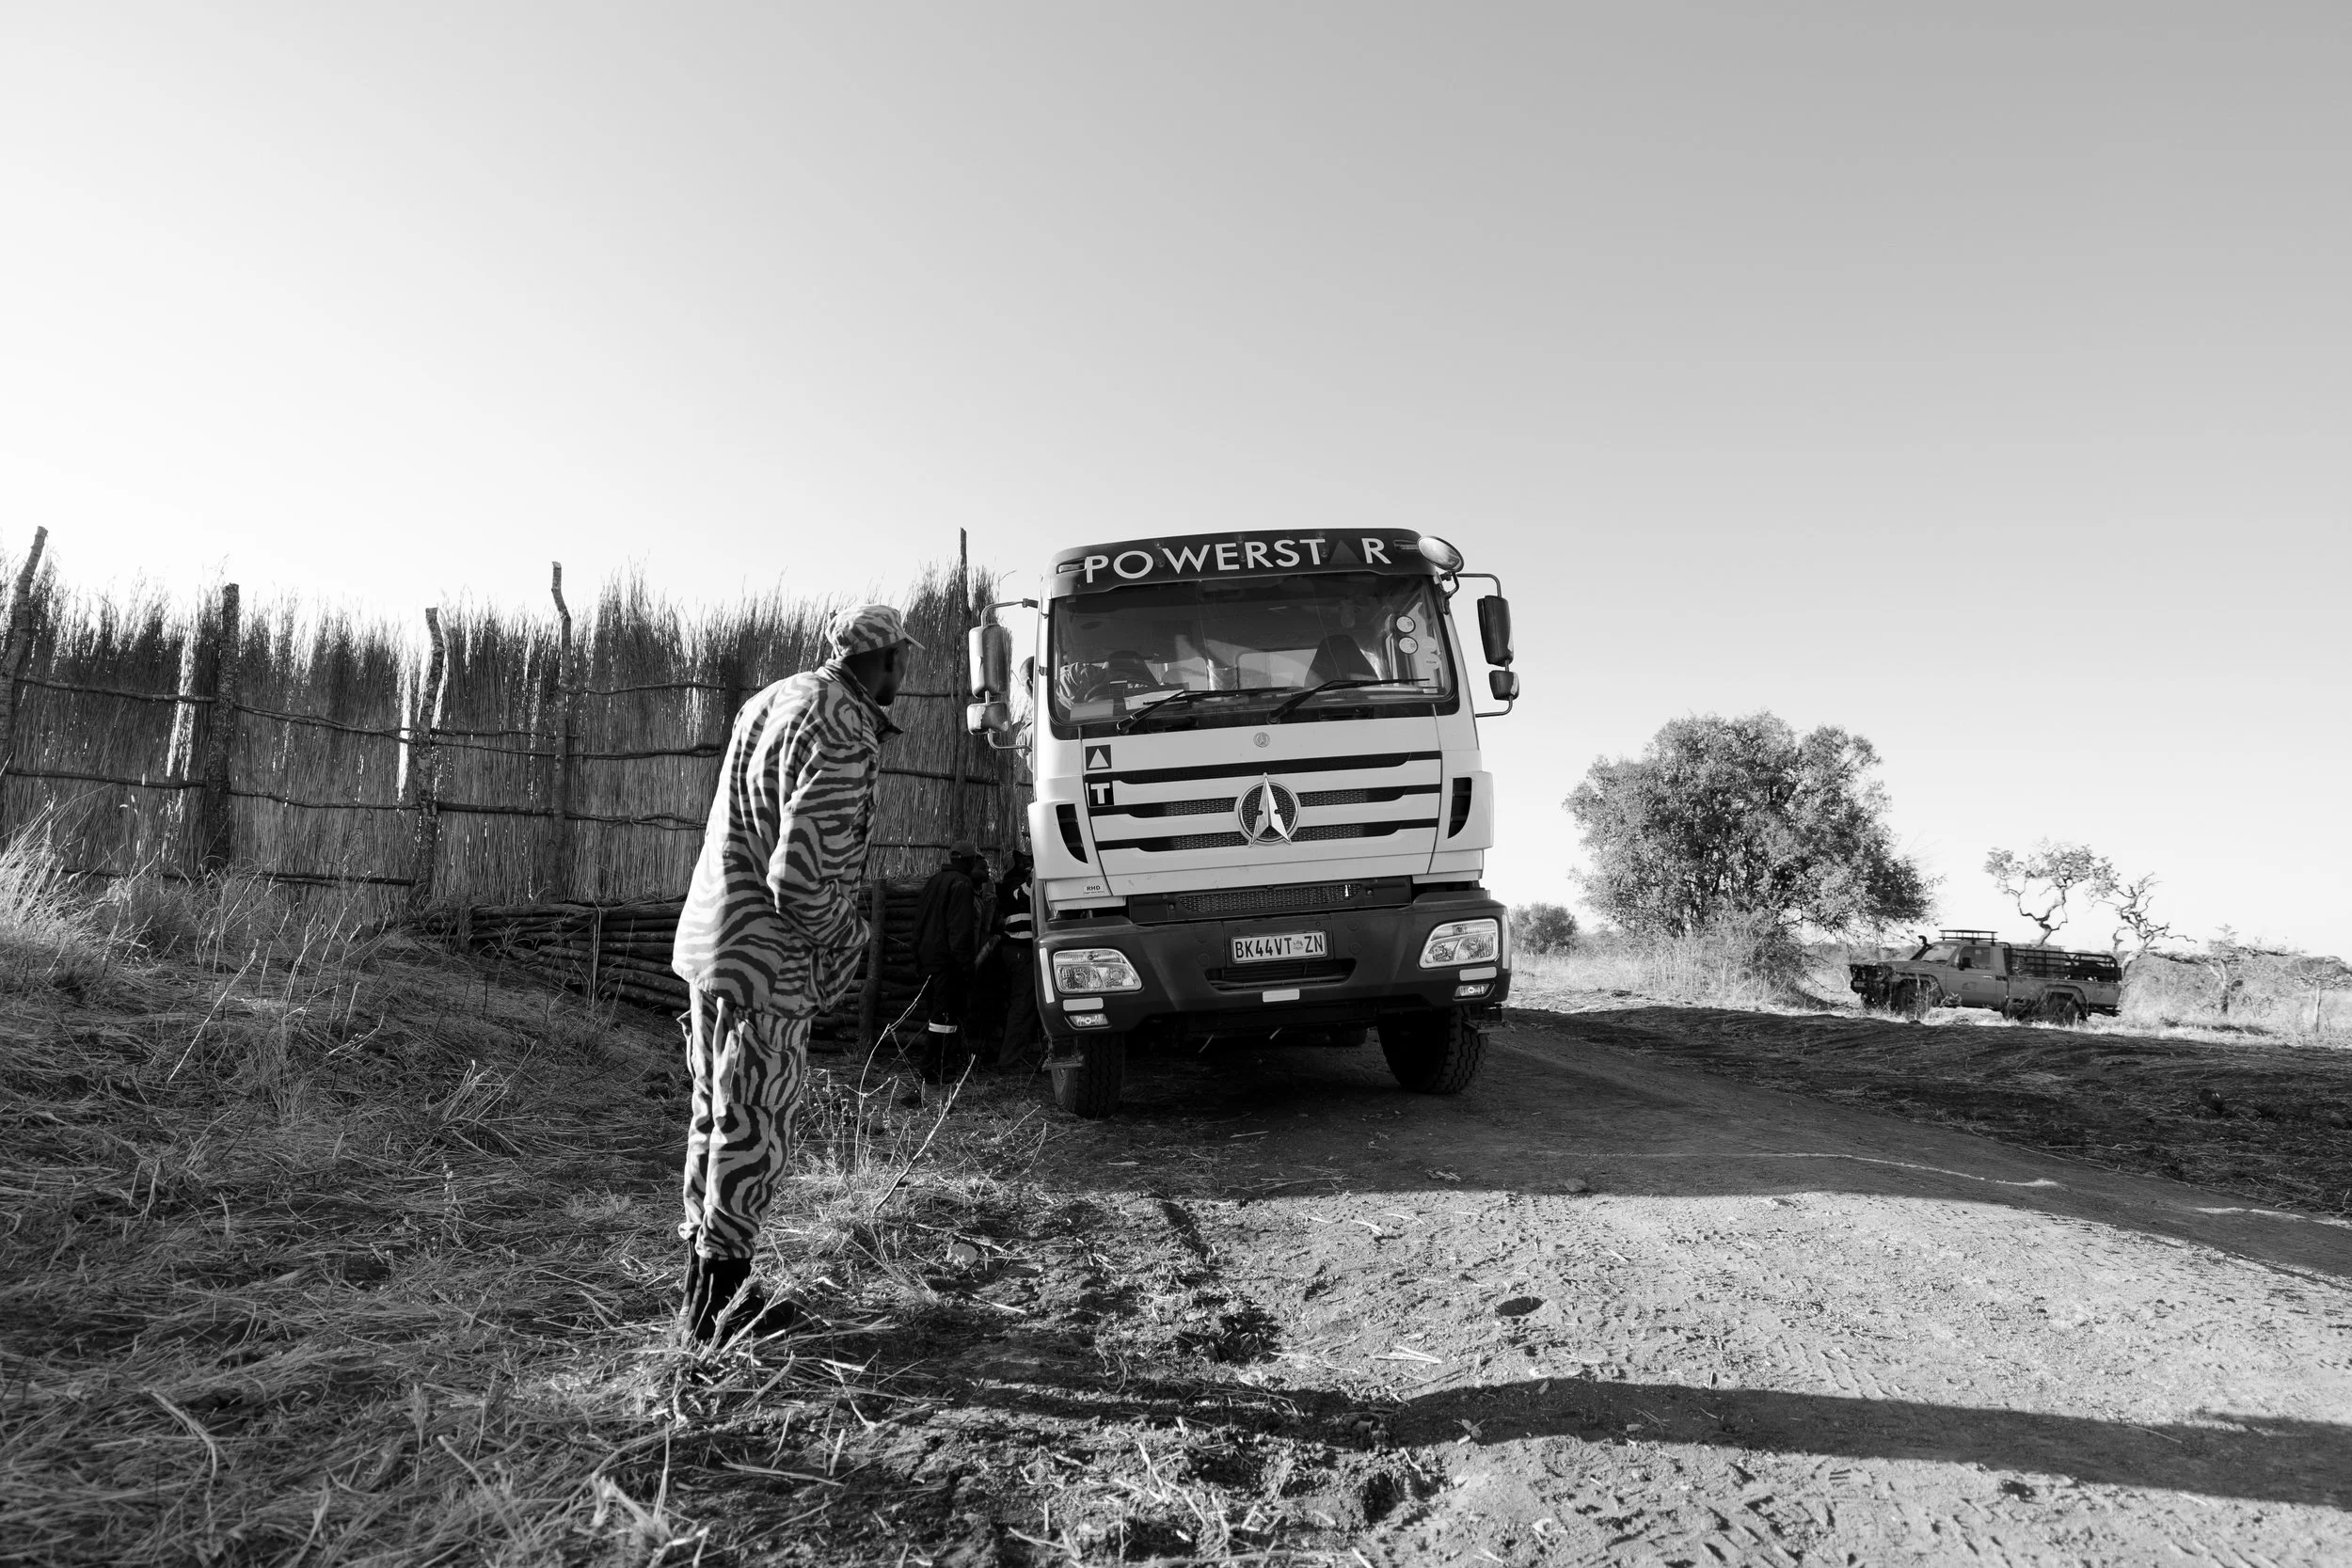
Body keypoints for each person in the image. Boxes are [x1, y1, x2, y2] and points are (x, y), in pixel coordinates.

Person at [669, 603, 917, 1343]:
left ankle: (701, 1296)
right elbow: (801, 880)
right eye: (903, 657)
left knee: (714, 1117)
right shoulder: (843, 728)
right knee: (753, 1129)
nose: (905, 669)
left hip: (713, 942)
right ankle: (718, 1311)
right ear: (888, 659)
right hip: (768, 962)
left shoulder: (772, 698)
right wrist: (850, 938)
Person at [911, 841, 987, 1079]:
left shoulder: (934, 881)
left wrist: (918, 958)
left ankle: (936, 1065)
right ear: (968, 861)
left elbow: (919, 922)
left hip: (929, 959)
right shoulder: (961, 884)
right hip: (948, 962)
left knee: (936, 1014)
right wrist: (965, 965)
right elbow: (959, 929)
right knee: (945, 1016)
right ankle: (937, 1068)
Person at [993, 836, 1040, 1068]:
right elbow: (1025, 897)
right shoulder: (1010, 886)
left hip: (1022, 951)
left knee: (1026, 1003)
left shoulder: (1017, 882)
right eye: (1023, 860)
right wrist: (1038, 869)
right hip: (1019, 951)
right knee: (1023, 1004)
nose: (1027, 862)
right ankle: (1009, 1060)